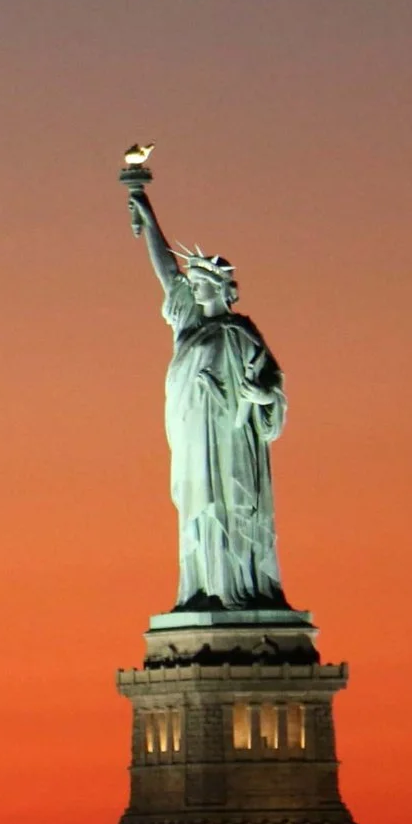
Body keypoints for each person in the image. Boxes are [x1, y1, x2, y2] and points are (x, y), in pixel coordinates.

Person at [126, 183, 287, 609]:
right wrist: (148, 218)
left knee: (230, 506)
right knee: (199, 509)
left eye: (199, 283)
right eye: (192, 283)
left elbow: (273, 387)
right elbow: (167, 275)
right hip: (194, 438)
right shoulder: (190, 328)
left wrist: (263, 394)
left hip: (232, 442)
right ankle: (202, 587)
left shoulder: (240, 333)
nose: (192, 289)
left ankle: (237, 587)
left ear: (218, 288)